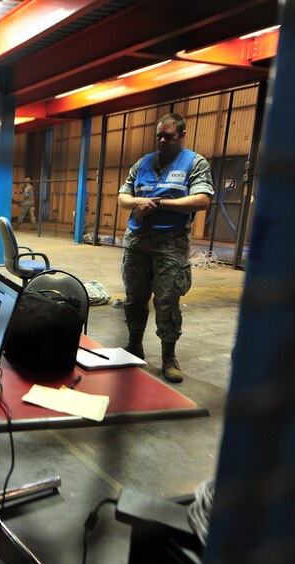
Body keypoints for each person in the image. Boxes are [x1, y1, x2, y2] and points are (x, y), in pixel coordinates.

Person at [117, 113, 213, 383]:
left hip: (171, 245)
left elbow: (202, 200)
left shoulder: (195, 163)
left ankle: (168, 357)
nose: (162, 140)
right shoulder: (143, 163)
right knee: (135, 298)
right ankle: (134, 345)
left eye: (169, 136)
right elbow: (122, 196)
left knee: (167, 301)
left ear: (182, 135)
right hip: (137, 242)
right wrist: (137, 202)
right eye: (159, 135)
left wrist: (159, 203)